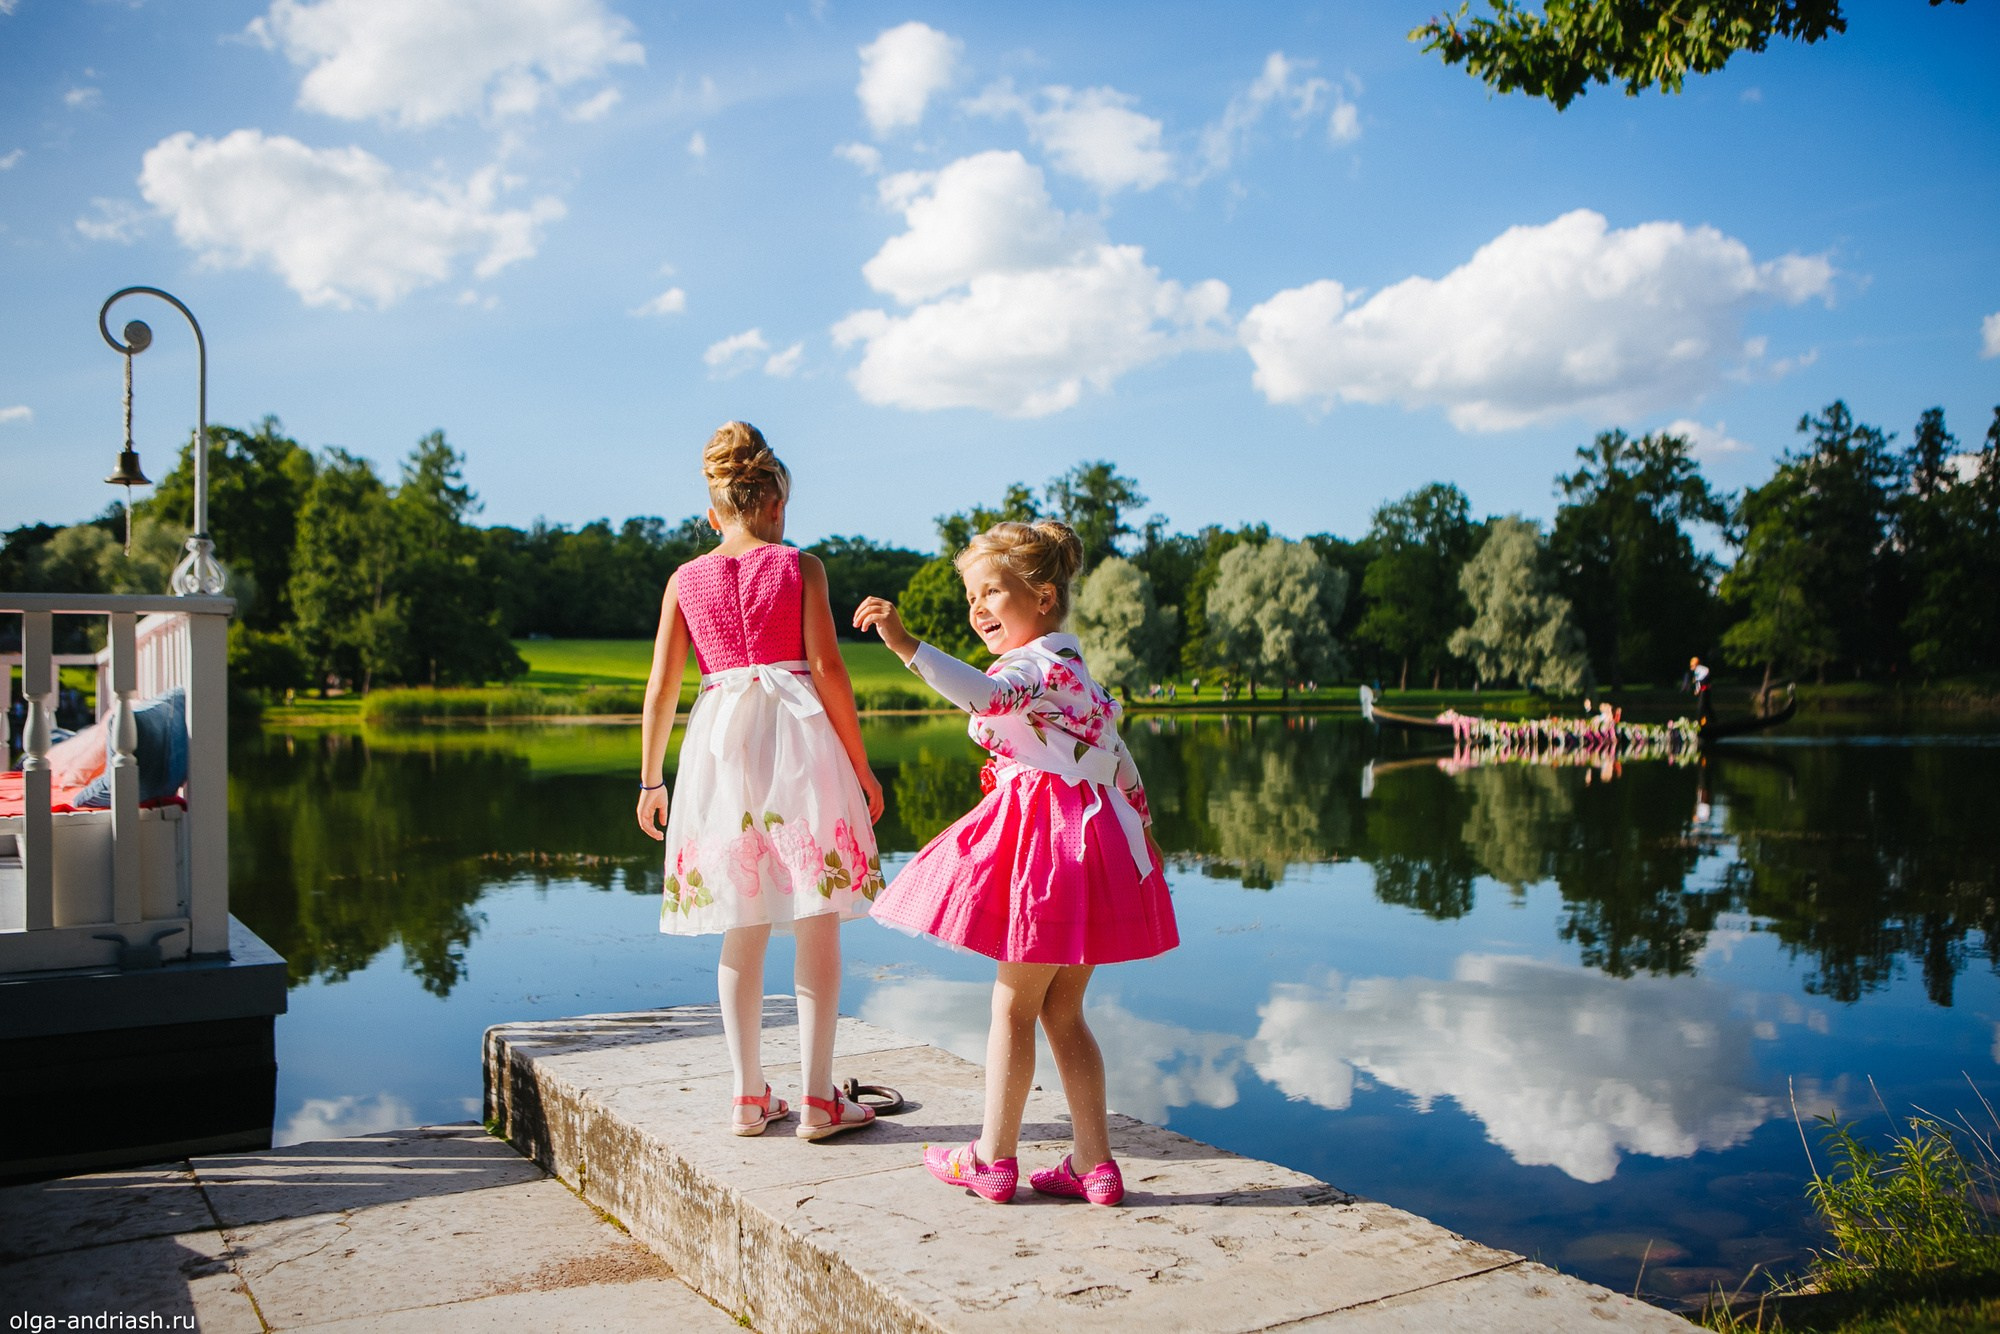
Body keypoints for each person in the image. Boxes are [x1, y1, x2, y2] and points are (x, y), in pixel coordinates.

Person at [854, 520, 1178, 1206]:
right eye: (971, 595)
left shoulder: (1029, 668)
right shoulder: (1075, 670)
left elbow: (989, 697)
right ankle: (1093, 1165)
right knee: (1065, 1011)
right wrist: (1144, 840)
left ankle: (992, 1160)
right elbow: (1121, 763)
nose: (976, 608)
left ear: (1042, 597)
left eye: (991, 592)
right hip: (1098, 842)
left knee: (1012, 1008)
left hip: (1048, 843)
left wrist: (908, 646)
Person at [636, 422, 886, 1141]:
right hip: (799, 739)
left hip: (720, 745)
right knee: (816, 913)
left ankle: (748, 1097)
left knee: (741, 919)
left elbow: (661, 690)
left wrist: (652, 782)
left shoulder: (685, 579)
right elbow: (831, 671)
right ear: (776, 505)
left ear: (713, 513)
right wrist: (862, 767)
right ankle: (817, 1099)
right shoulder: (800, 568)